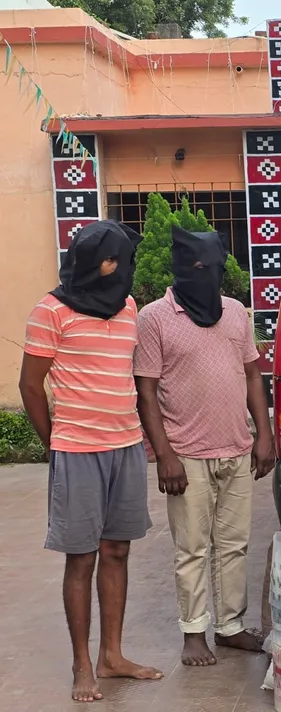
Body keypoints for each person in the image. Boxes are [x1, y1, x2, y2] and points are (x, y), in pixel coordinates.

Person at [19, 220, 163, 703]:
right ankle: (83, 664)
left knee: (117, 552)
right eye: (114, 260)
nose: (120, 268)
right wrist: (54, 443)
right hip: (77, 450)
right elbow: (30, 385)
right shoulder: (50, 311)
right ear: (95, 262)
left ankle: (113, 656)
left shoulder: (127, 307)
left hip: (125, 447)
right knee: (80, 557)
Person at [134, 226, 274, 667]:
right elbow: (146, 391)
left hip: (236, 447)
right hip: (186, 454)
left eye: (214, 267)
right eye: (198, 268)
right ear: (180, 269)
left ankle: (230, 626)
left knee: (234, 545)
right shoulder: (155, 318)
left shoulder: (235, 312)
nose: (207, 275)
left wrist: (264, 434)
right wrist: (164, 455)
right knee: (192, 548)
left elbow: (253, 374)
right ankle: (194, 631)